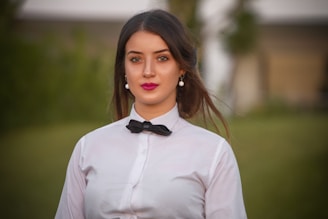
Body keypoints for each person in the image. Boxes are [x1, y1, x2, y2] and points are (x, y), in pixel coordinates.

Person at [55, 9, 247, 219]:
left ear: (182, 68)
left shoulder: (215, 154)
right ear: (123, 68)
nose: (148, 71)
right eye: (136, 59)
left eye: (162, 58)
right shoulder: (87, 148)